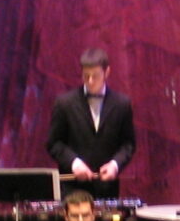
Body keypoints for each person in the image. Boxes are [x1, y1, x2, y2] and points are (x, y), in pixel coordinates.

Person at [47, 47, 136, 184]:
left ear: (107, 72)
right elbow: (54, 143)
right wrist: (75, 163)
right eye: (85, 75)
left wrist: (114, 165)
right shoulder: (64, 103)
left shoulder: (122, 104)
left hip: (107, 187)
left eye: (95, 76)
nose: (90, 81)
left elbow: (128, 144)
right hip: (73, 188)